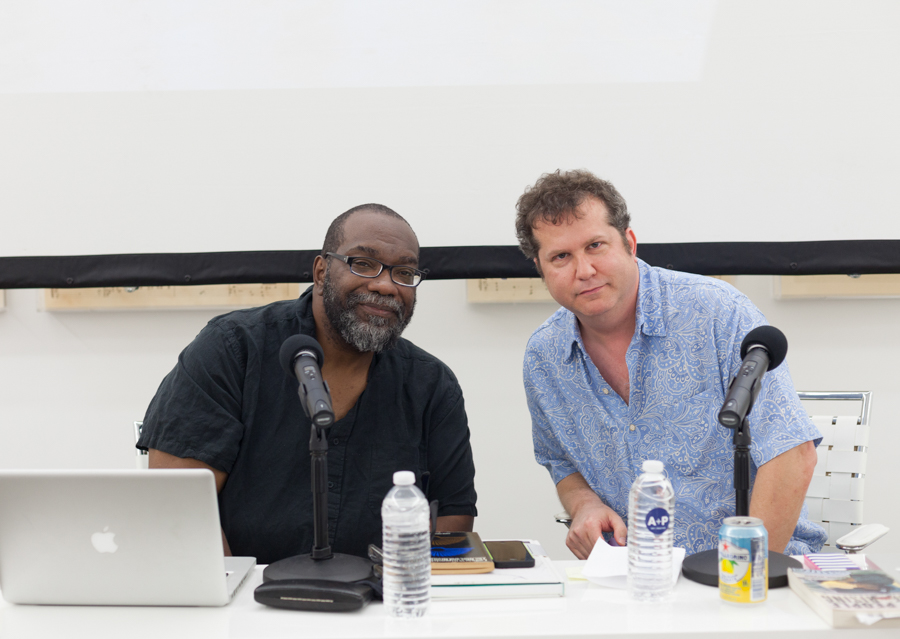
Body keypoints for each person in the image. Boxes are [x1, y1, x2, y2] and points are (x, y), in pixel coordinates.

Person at [138, 204, 477, 564]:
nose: (385, 286)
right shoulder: (233, 349)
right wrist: (231, 602)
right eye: (363, 263)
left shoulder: (431, 384)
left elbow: (451, 522)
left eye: (405, 272)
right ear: (320, 271)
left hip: (378, 604)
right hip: (247, 606)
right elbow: (179, 501)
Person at [516, 169, 826, 559]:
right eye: (561, 256)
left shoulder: (716, 312)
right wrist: (584, 504)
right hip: (637, 580)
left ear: (629, 242)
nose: (584, 271)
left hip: (752, 574)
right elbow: (560, 461)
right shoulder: (544, 357)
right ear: (540, 267)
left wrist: (741, 577)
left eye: (596, 245)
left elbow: (792, 453)